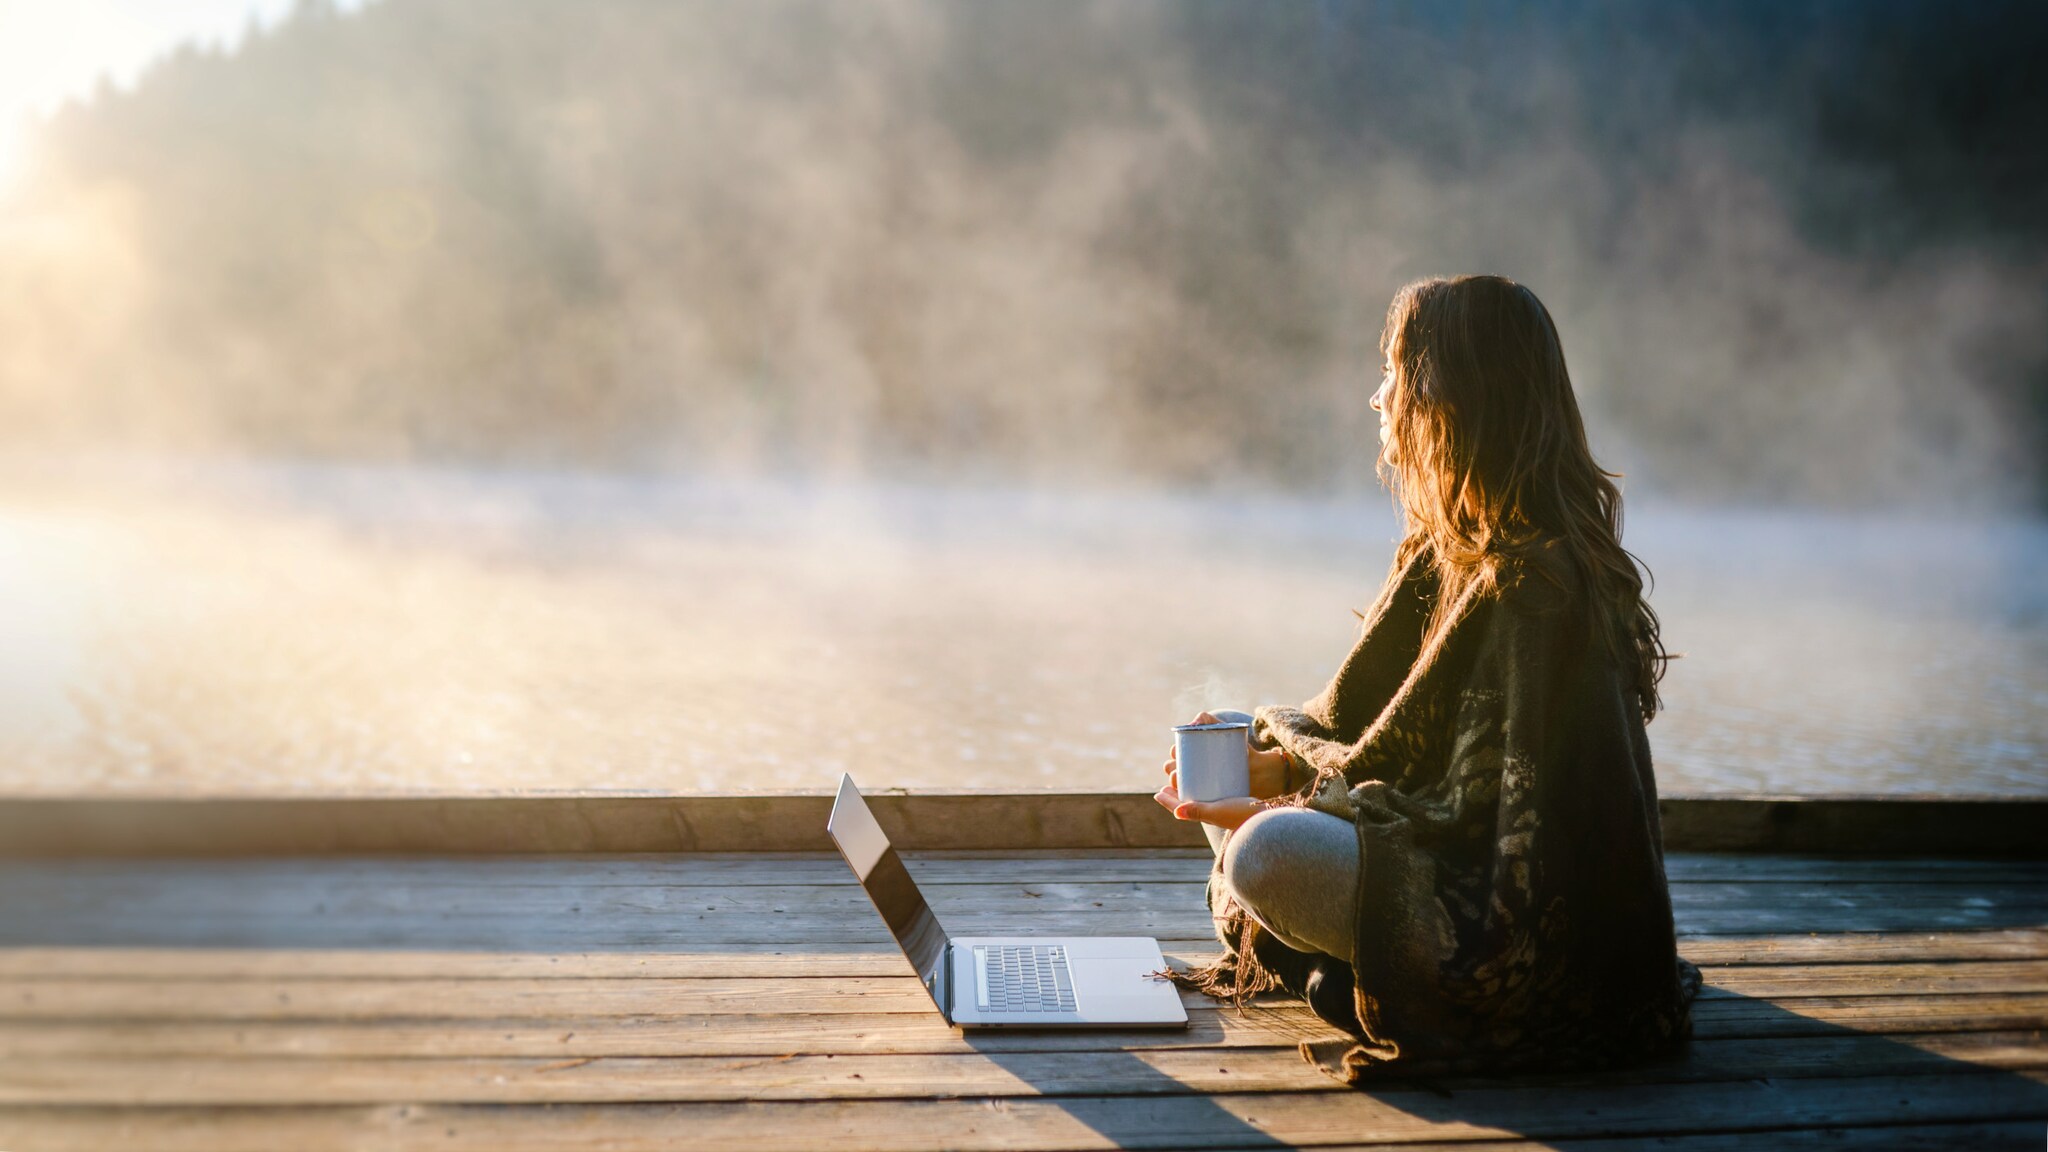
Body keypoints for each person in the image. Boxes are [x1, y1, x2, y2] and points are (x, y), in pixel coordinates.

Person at [1152, 274, 1700, 1083]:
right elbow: (1375, 744)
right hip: (1423, 837)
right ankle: (1339, 974)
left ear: (1451, 400)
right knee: (1228, 735)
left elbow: (1484, 823)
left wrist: (1271, 808)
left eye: (1394, 375)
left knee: (1267, 853)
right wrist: (1282, 769)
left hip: (1514, 927)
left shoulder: (1534, 588)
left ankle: (1347, 976)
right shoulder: (1439, 554)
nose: (1377, 400)